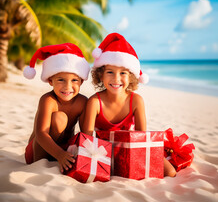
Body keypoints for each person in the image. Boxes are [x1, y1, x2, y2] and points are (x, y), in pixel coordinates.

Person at [82, 33, 177, 177]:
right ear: (100, 75)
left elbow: (141, 137)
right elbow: (87, 140)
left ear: (131, 76)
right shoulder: (94, 102)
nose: (116, 78)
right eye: (109, 72)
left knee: (170, 172)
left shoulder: (136, 101)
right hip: (102, 152)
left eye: (123, 73)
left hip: (131, 150)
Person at [23, 43, 90, 173]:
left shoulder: (82, 102)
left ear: (82, 81)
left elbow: (86, 134)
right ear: (50, 80)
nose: (67, 87)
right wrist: (60, 155)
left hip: (64, 150)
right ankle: (41, 165)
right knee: (60, 118)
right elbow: (41, 134)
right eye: (61, 80)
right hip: (38, 151)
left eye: (74, 80)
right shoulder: (48, 100)